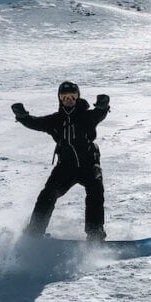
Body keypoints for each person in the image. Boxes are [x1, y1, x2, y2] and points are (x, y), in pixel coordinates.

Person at [11, 81, 110, 241]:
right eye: (65, 97)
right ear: (60, 99)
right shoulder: (55, 120)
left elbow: (100, 113)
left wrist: (103, 106)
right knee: (47, 195)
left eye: (72, 96)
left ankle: (95, 233)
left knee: (95, 193)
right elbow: (36, 122)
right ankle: (35, 233)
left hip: (89, 165)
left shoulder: (87, 116)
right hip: (65, 168)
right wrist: (23, 117)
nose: (69, 99)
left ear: (78, 97)